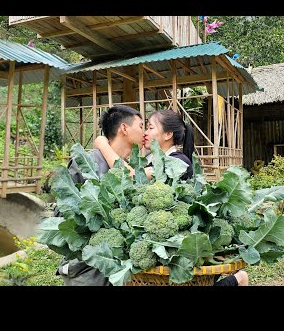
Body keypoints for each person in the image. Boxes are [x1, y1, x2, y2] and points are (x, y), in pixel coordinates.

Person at [94, 109, 248, 286]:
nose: (145, 133)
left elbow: (128, 175)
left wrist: (102, 144)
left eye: (150, 127)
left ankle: (239, 279)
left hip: (181, 247)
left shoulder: (179, 162)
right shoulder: (153, 162)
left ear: (168, 134)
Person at [56, 105, 144, 286]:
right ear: (124, 129)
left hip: (121, 272)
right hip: (86, 271)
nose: (144, 133)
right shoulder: (89, 161)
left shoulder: (133, 168)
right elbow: (60, 213)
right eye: (141, 126)